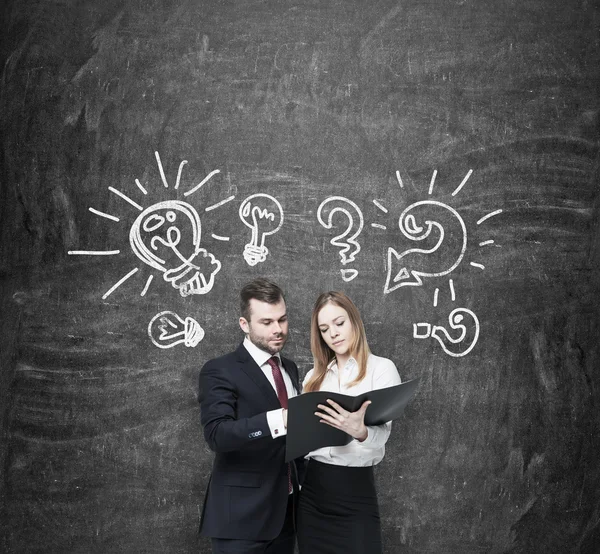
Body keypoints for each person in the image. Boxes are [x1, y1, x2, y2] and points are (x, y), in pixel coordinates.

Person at [198, 278, 305, 554]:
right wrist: (279, 420)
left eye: (282, 320)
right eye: (266, 322)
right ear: (244, 325)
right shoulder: (219, 370)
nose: (278, 330)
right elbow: (217, 435)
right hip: (240, 519)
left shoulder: (289, 368)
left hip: (286, 514)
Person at [297, 291, 402, 554]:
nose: (333, 333)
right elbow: (302, 439)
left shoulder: (382, 369)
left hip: (356, 493)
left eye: (339, 323)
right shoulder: (314, 377)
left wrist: (361, 432)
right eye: (324, 329)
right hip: (312, 495)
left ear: (354, 321)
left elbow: (382, 437)